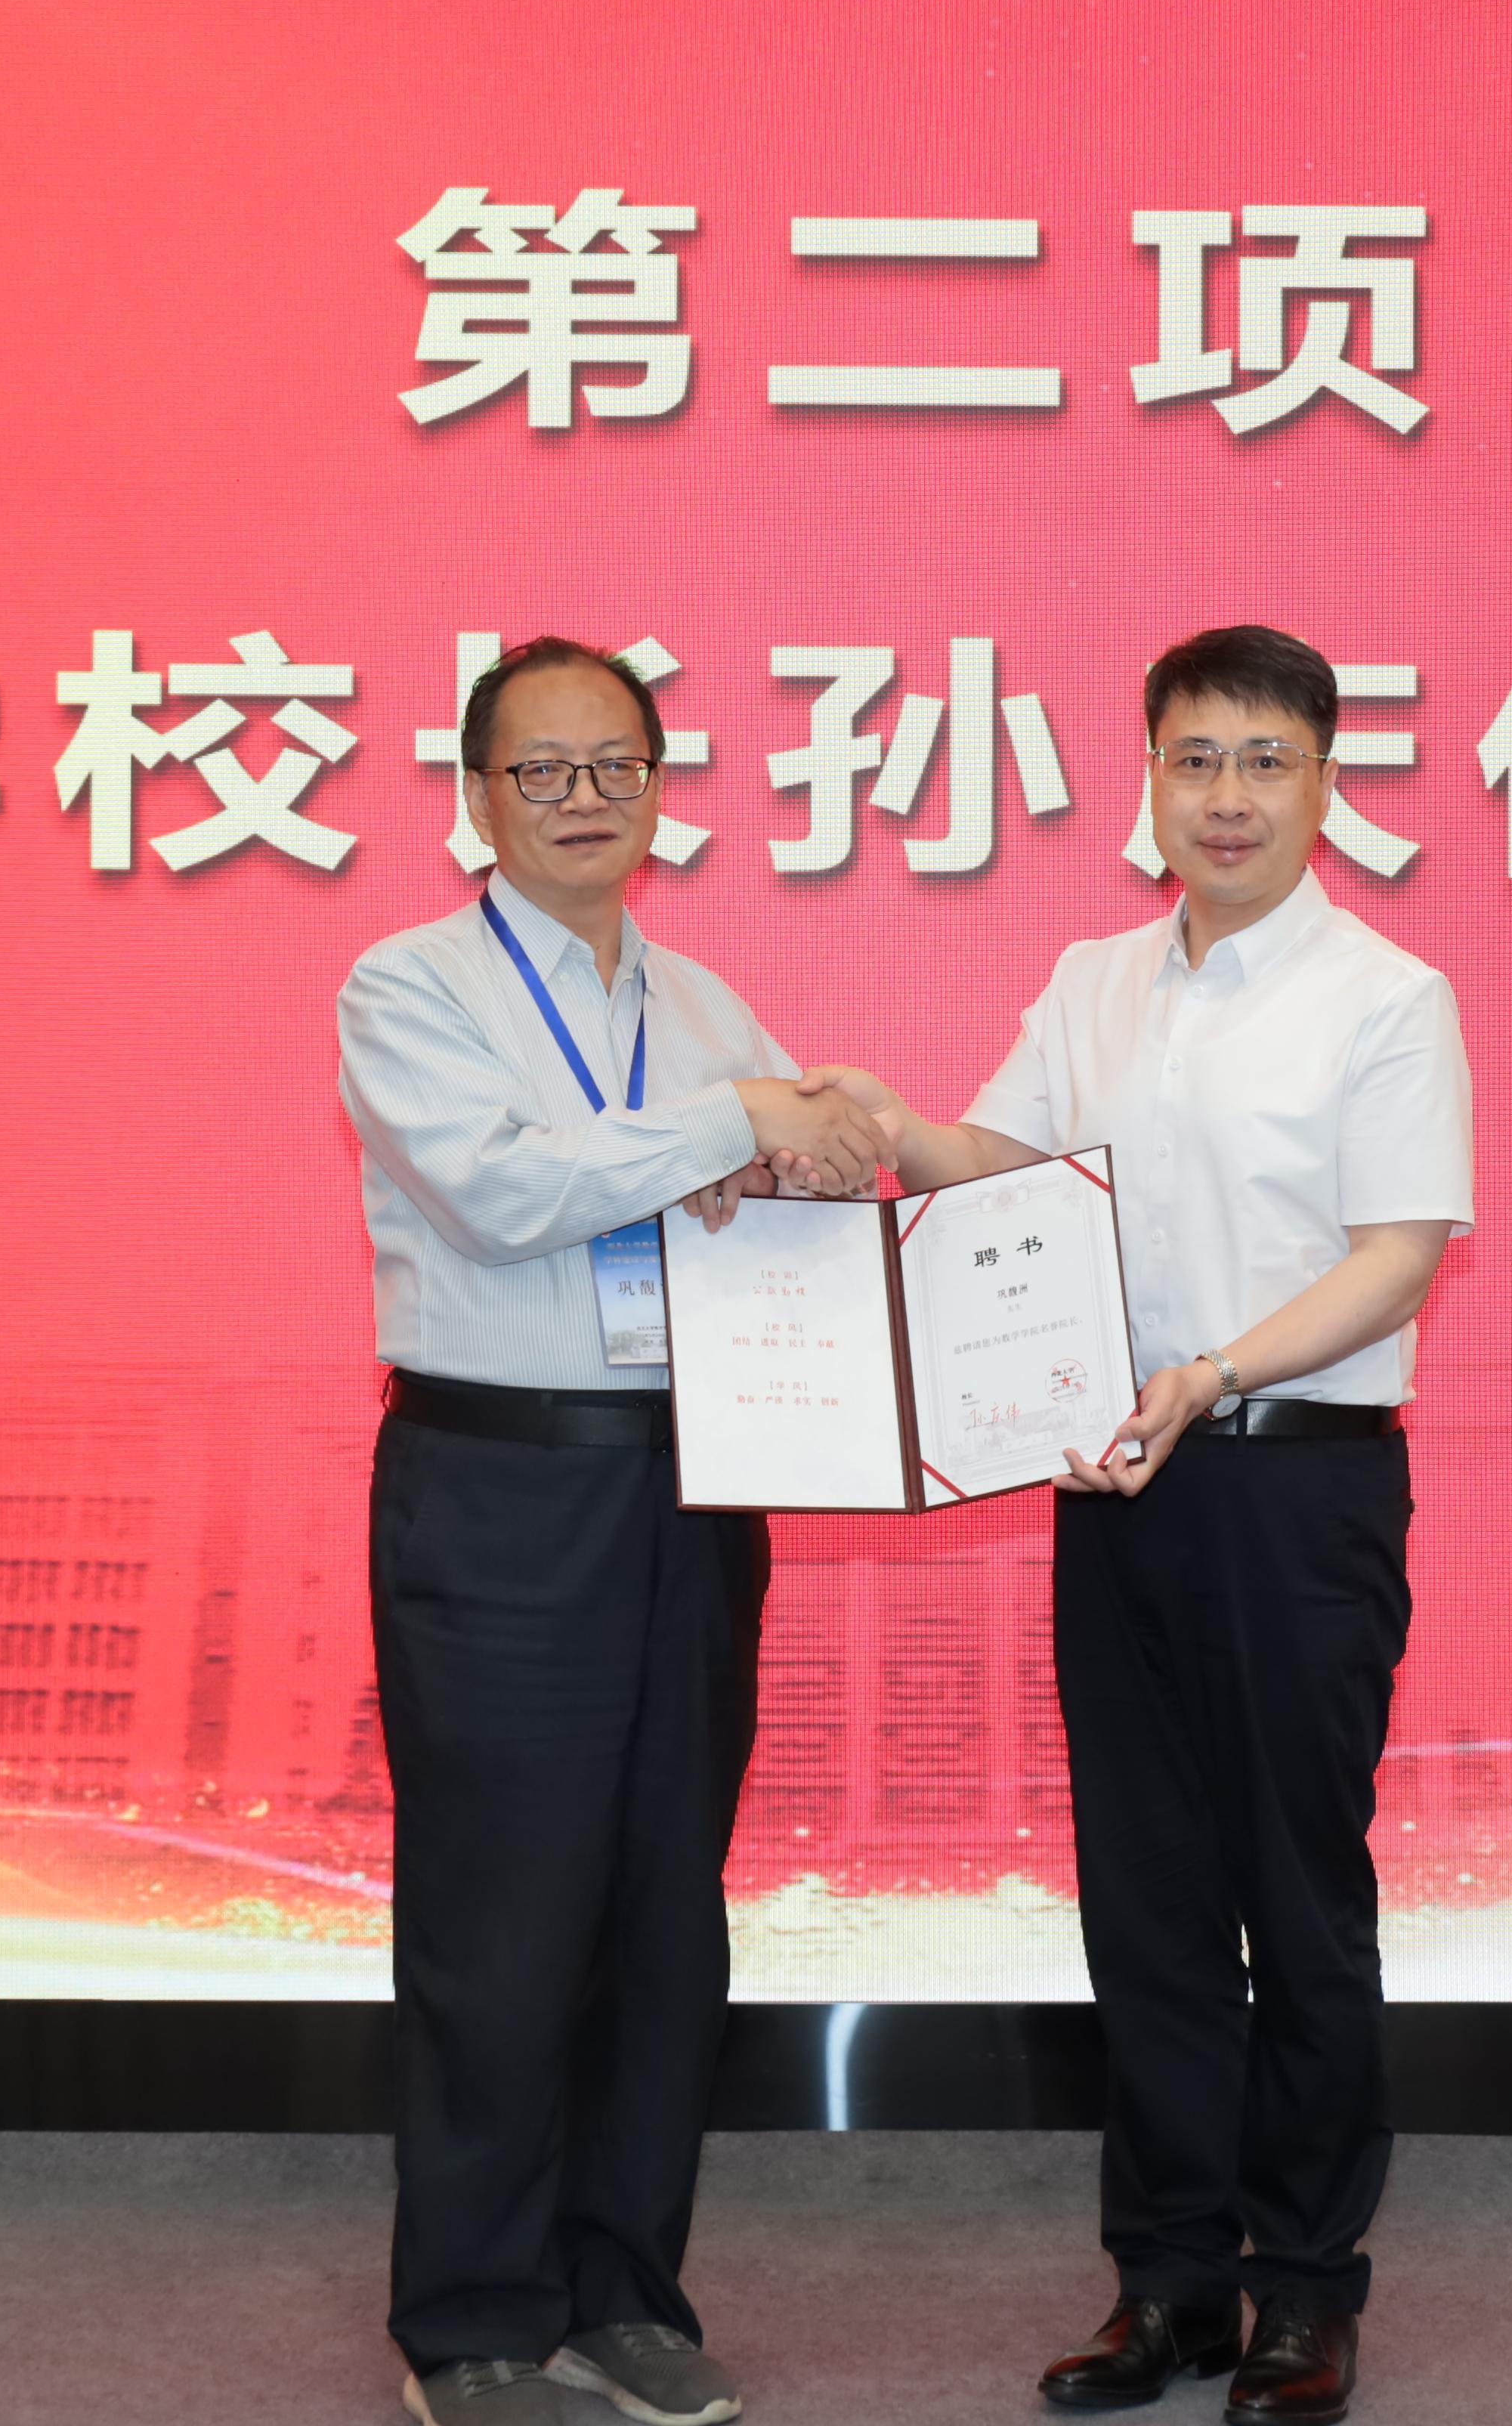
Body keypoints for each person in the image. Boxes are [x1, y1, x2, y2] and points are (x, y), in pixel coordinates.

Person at [829, 624, 1473, 2426]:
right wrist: (876, 1124)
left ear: (1327, 780)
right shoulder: (1093, 981)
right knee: (1149, 1902)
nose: (1227, 797)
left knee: (1298, 1900)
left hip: (1291, 1487)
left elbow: (1397, 1256)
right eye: (1196, 759)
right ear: (1151, 780)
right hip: (1119, 1489)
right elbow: (998, 1168)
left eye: (1266, 760)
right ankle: (1172, 2279)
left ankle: (1307, 2288)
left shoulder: (1386, 998)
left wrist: (1212, 1372)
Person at [335, 636, 899, 2426]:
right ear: (476, 798)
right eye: (542, 770)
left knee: (664, 1908)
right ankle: (474, 2322)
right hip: (502, 1485)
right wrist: (725, 1134)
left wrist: (802, 1156)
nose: (583, 799)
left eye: (615, 767)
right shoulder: (407, 985)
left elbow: (816, 1173)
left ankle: (624, 2294)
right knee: (504, 1914)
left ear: (660, 788)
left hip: (698, 1479)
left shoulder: (709, 1004)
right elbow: (501, 1191)